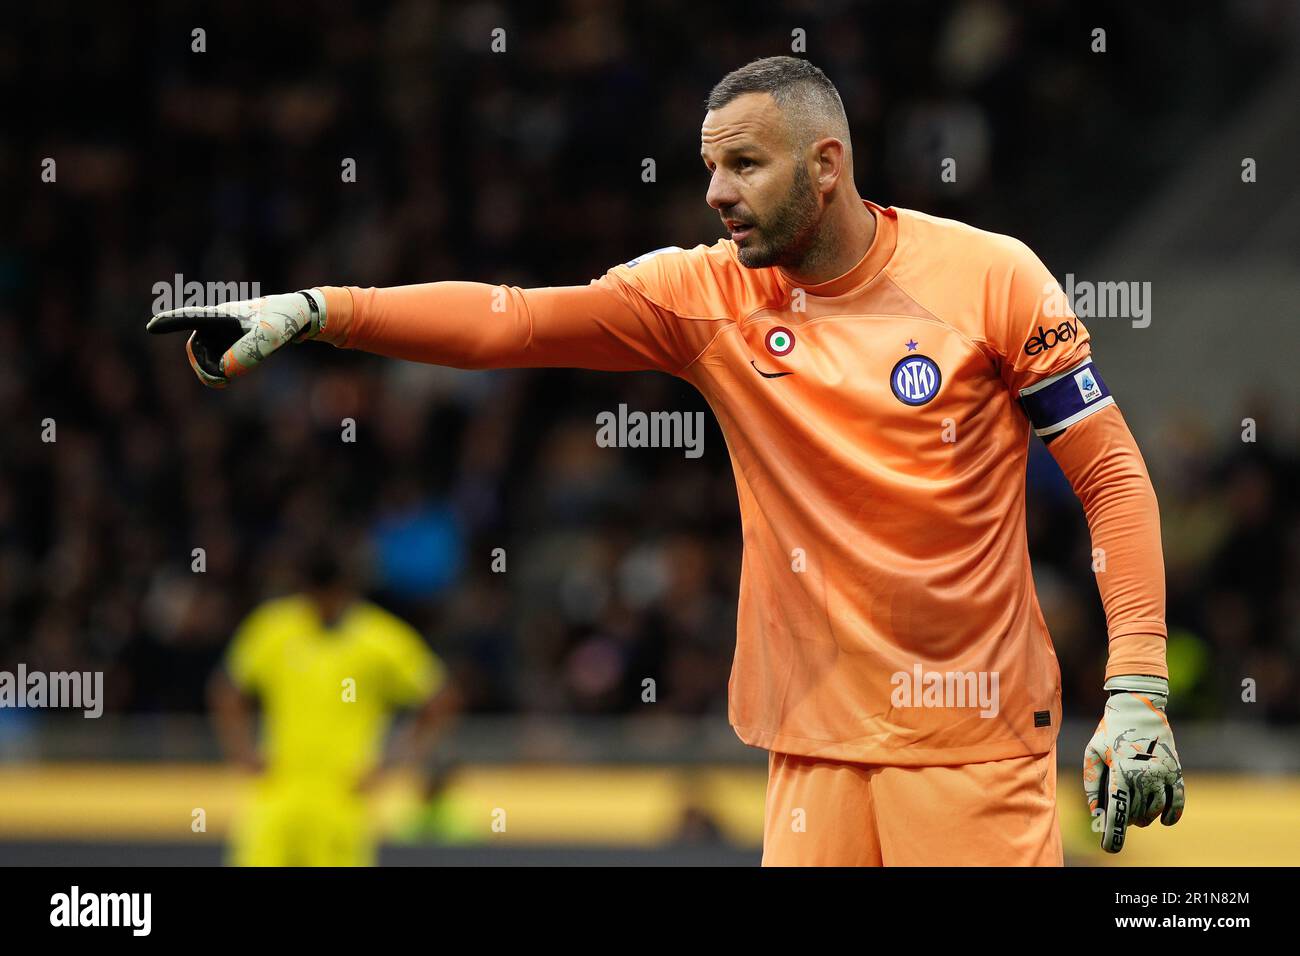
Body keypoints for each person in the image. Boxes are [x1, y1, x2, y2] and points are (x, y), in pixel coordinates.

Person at [157, 56, 1182, 866]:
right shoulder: (702, 297)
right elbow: (511, 322)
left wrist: (1135, 689)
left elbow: (1112, 477)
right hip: (811, 744)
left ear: (825, 164)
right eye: (707, 167)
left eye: (744, 165)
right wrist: (318, 310)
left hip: (970, 741)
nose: (715, 192)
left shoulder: (989, 278)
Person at [208, 548, 459, 866]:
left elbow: (440, 699)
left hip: (343, 793)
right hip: (279, 786)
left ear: (346, 589)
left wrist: (393, 762)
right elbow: (227, 690)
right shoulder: (275, 628)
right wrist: (241, 751)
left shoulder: (379, 639)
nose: (322, 606)